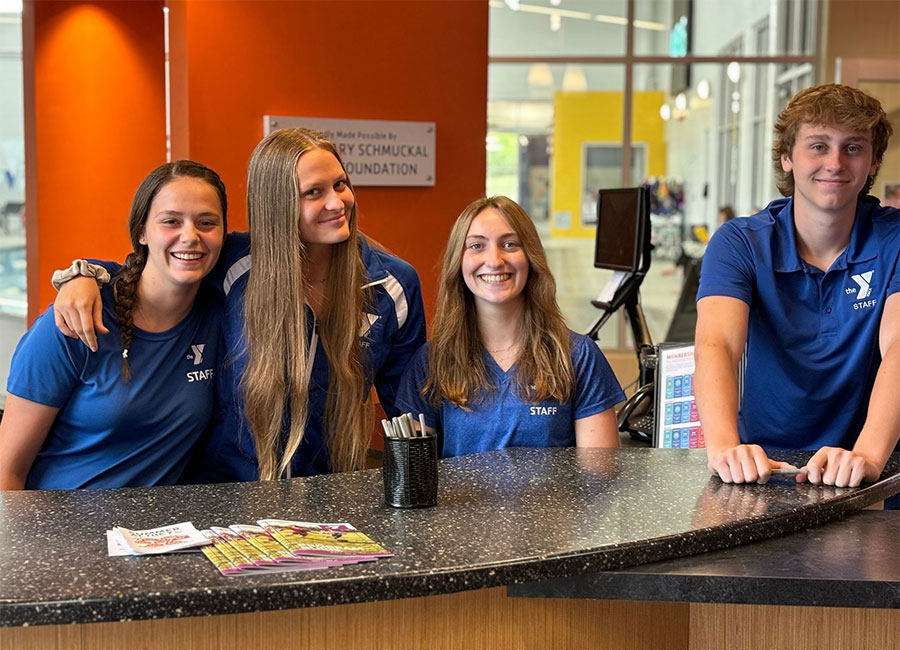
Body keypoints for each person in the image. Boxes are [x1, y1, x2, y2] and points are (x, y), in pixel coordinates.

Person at [51, 128, 426, 481]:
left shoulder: (391, 284)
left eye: (340, 184)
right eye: (313, 193)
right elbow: (154, 273)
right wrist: (85, 275)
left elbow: (410, 411)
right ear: (277, 204)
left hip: (327, 488)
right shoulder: (234, 264)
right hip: (223, 488)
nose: (336, 202)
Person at [694, 84, 899, 493]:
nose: (835, 163)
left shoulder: (894, 239)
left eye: (853, 148)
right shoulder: (741, 243)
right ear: (787, 158)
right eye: (818, 146)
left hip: (872, 468)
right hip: (765, 467)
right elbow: (717, 344)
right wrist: (724, 449)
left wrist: (867, 456)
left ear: (873, 162)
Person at [0, 161, 227, 489]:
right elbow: (8, 470)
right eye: (171, 221)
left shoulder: (221, 315)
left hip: (158, 535)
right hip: (57, 530)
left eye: (206, 222)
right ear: (141, 232)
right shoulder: (73, 321)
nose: (190, 236)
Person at [396, 196, 623, 457]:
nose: (494, 260)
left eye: (510, 244)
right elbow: (414, 481)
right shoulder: (430, 363)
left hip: (555, 500)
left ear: (531, 257)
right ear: (458, 262)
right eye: (477, 246)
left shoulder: (578, 356)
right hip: (461, 500)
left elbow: (599, 480)